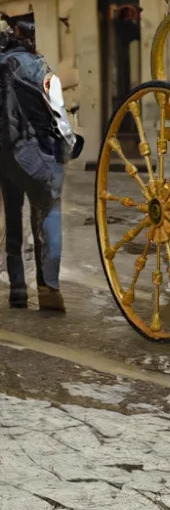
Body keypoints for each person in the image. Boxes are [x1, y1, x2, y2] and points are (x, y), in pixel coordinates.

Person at [0, 16, 80, 311]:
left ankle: (17, 291)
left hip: (6, 157)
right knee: (47, 219)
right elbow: (60, 117)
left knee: (13, 222)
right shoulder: (44, 71)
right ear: (32, 39)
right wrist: (67, 149)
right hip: (40, 157)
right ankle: (48, 290)